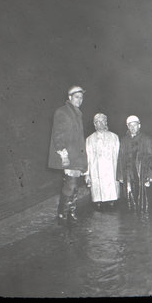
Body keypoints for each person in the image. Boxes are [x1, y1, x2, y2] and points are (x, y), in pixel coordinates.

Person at [48, 86, 88, 225]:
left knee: (74, 185)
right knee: (70, 185)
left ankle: (71, 212)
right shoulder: (63, 112)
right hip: (69, 155)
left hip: (77, 156)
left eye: (81, 97)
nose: (79, 100)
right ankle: (62, 215)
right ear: (70, 97)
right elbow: (58, 134)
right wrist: (63, 153)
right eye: (76, 97)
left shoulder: (76, 113)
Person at [117, 115, 152, 212]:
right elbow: (120, 158)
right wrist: (120, 175)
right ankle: (132, 221)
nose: (133, 128)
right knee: (130, 199)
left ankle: (144, 221)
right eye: (130, 125)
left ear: (139, 125)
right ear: (127, 126)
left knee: (144, 201)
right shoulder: (124, 140)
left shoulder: (147, 139)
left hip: (142, 173)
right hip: (129, 174)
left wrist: (149, 176)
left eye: (135, 125)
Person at [85, 113, 120, 210]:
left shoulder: (114, 137)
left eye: (102, 121)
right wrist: (87, 174)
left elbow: (118, 157)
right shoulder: (89, 139)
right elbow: (87, 157)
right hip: (96, 173)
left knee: (112, 202)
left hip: (111, 173)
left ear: (106, 122)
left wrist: (120, 173)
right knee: (98, 205)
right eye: (97, 122)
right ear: (94, 124)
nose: (100, 124)